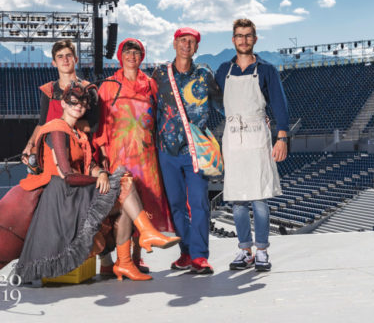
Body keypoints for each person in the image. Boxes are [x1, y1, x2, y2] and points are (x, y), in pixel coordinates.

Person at [0, 82, 180, 283]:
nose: (79, 107)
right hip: (63, 197)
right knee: (124, 184)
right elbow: (67, 174)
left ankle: (125, 261)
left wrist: (103, 173)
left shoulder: (77, 133)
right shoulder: (57, 129)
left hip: (75, 190)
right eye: (73, 102)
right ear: (63, 103)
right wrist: (98, 179)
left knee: (125, 200)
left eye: (82, 103)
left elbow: (90, 165)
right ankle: (147, 232)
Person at [94, 38, 175, 276]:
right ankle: (118, 261)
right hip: (118, 155)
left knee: (145, 206)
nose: (132, 56)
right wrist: (103, 153)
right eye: (127, 52)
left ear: (142, 55)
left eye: (136, 52)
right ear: (120, 56)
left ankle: (136, 258)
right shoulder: (108, 85)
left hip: (146, 157)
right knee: (121, 210)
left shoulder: (151, 84)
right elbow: (99, 124)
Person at [215, 18, 289, 272]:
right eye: (239, 35)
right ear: (233, 39)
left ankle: (262, 251)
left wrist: (282, 137)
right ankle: (244, 249)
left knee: (258, 199)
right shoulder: (223, 70)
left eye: (248, 36)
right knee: (236, 199)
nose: (244, 40)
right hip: (233, 136)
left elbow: (279, 103)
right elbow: (218, 102)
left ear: (255, 39)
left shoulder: (266, 69)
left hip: (258, 135)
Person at [151, 27, 222, 274]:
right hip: (166, 149)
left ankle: (200, 256)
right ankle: (186, 253)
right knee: (176, 205)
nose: (186, 45)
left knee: (200, 202)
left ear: (197, 47)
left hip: (195, 150)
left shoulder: (204, 74)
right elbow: (148, 107)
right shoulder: (160, 73)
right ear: (174, 44)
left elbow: (221, 104)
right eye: (183, 40)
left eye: (191, 41)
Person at [21, 40, 98, 165]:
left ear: (76, 59)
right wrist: (30, 145)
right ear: (54, 63)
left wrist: (60, 126)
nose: (65, 60)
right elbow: (41, 124)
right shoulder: (48, 91)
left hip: (80, 153)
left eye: (69, 55)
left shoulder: (88, 89)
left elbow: (93, 126)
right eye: (60, 56)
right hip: (51, 152)